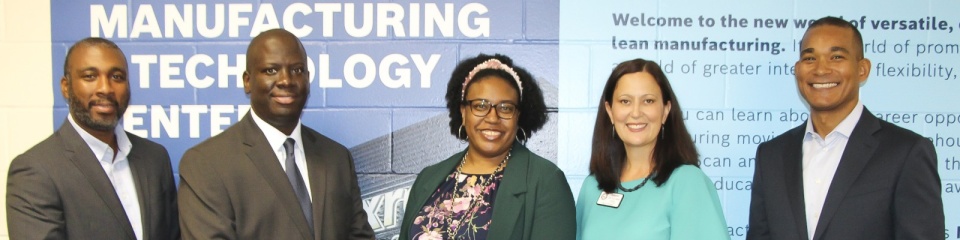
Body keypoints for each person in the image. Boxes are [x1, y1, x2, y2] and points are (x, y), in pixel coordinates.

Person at [747, 16, 943, 240]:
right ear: (798, 70)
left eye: (836, 57)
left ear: (862, 69)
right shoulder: (771, 155)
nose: (821, 69)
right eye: (810, 58)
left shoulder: (906, 152)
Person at [177, 29, 374, 239]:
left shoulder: (336, 157)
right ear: (247, 81)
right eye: (271, 70)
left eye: (297, 70)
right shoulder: (206, 163)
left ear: (308, 79)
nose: (286, 81)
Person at [6, 37, 179, 239]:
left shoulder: (154, 158)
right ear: (65, 87)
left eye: (116, 77)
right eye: (90, 77)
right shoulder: (36, 171)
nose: (105, 88)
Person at [398, 54, 576, 239]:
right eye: (480, 106)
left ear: (518, 116)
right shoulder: (428, 178)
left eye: (505, 108)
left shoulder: (545, 181)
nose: (492, 118)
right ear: (464, 112)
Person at [576, 58, 729, 240]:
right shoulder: (592, 187)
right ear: (610, 111)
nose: (636, 112)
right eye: (625, 101)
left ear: (665, 110)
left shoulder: (687, 182)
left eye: (648, 101)